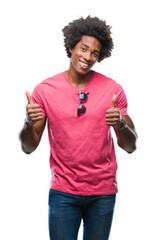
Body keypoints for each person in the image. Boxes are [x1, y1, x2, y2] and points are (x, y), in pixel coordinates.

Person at [19, 16, 138, 240]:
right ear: (71, 46)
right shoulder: (45, 90)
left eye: (95, 52)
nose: (88, 57)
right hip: (63, 192)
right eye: (83, 48)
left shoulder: (113, 89)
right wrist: (27, 122)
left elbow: (131, 146)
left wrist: (120, 124)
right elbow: (28, 147)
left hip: (102, 192)